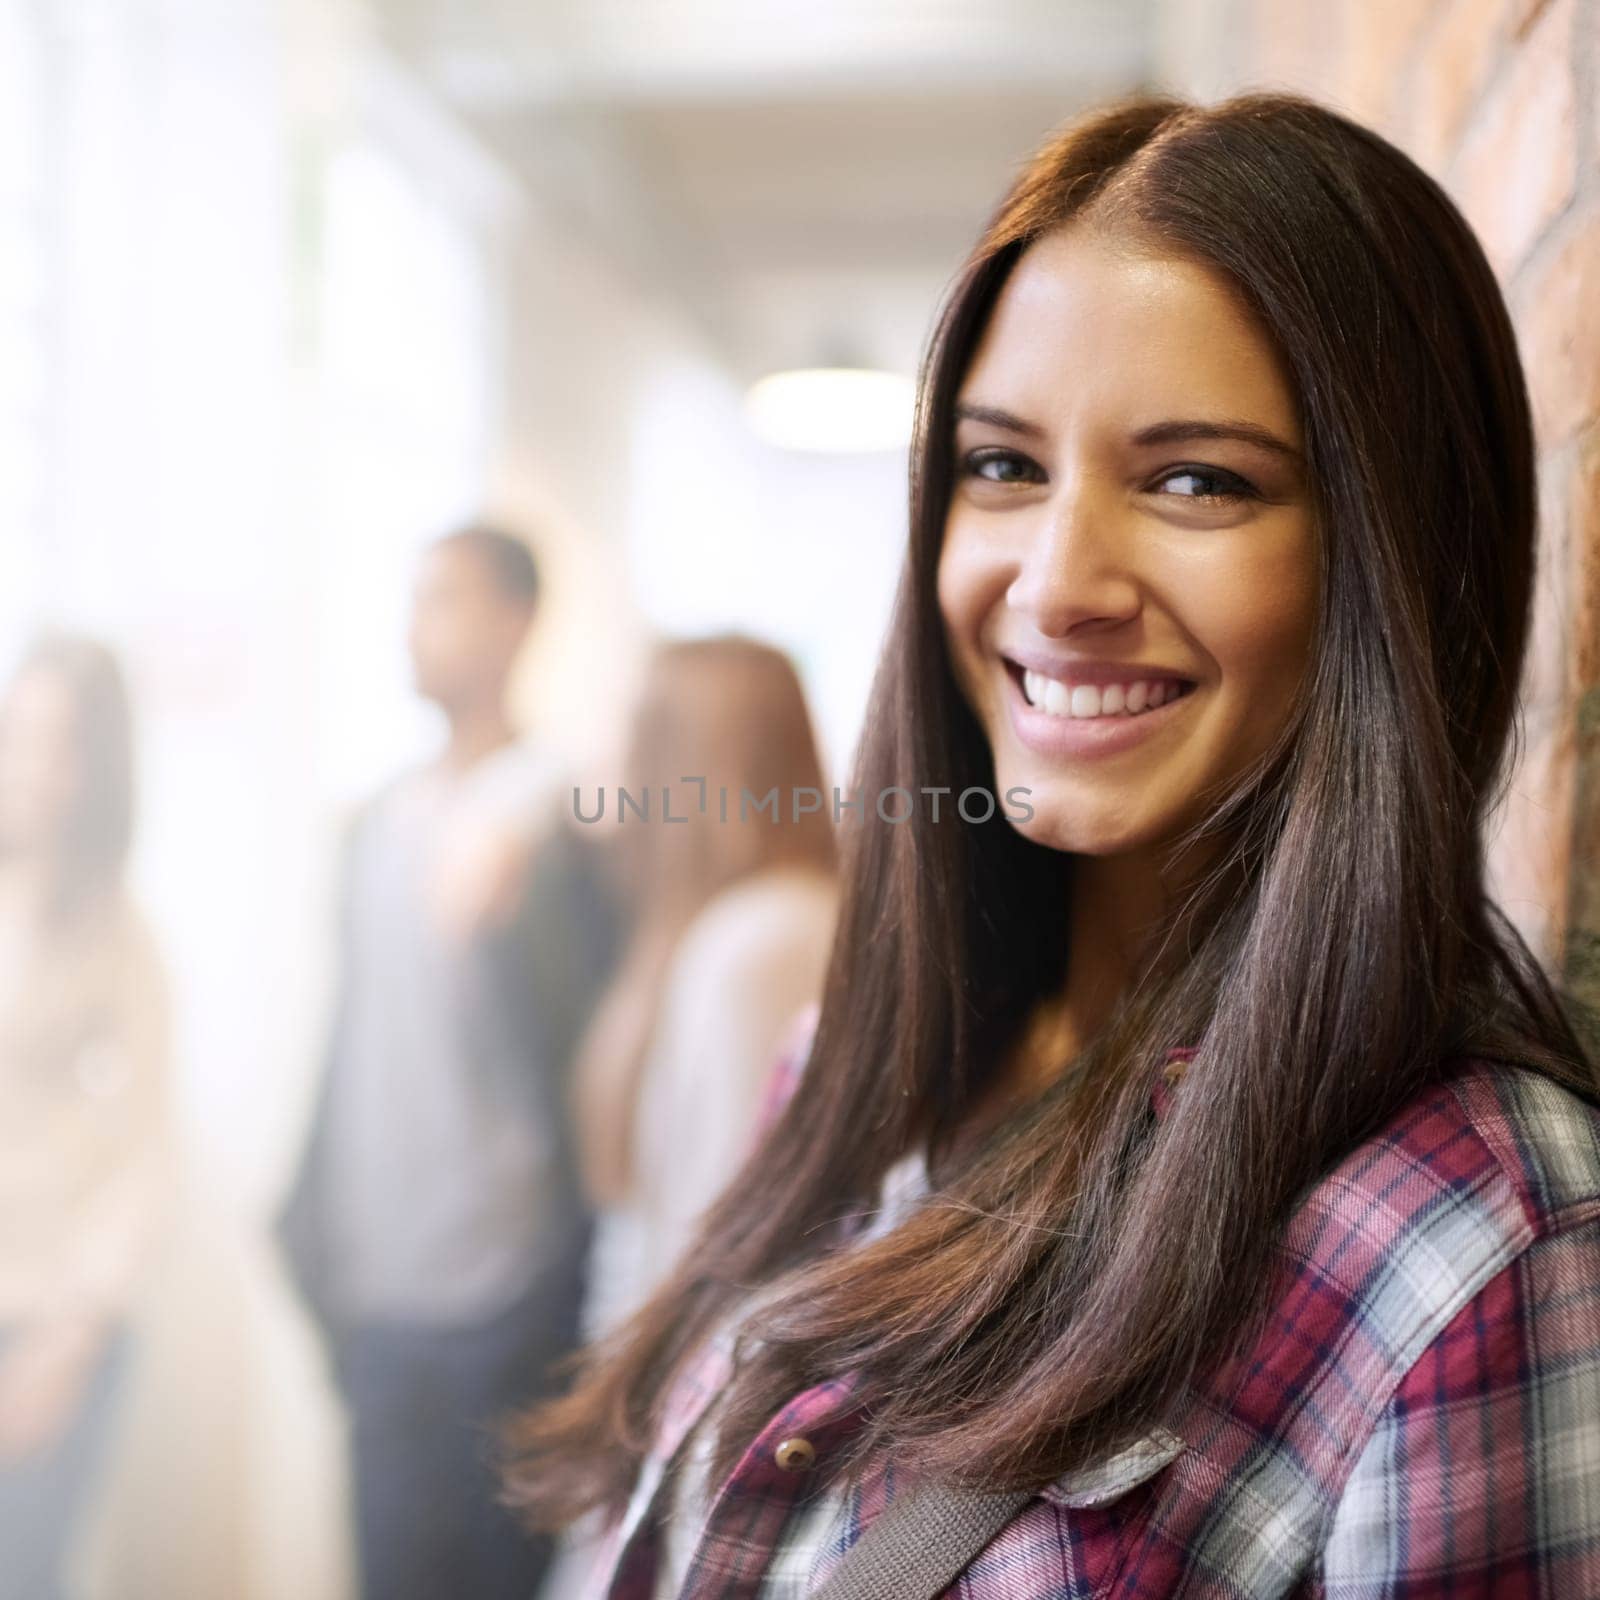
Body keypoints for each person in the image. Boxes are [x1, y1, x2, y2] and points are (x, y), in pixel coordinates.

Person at [500, 89, 1600, 1598]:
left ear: (1391, 555)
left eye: (1196, 480)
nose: (1059, 580)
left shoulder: (1472, 1247)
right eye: (1003, 467)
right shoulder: (852, 1075)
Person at [278, 524, 623, 1600]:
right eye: (412, 600)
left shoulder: (562, 816)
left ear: (517, 622)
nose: (414, 630)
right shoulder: (377, 822)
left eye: (446, 600)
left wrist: (533, 814)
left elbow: (606, 802)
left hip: (506, 1292)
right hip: (379, 1289)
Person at [571, 635, 839, 1341]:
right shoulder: (723, 929)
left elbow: (724, 1259)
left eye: (637, 743)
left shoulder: (759, 943)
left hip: (685, 1402)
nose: (617, 775)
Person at [0, 633, 175, 1600]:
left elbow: (143, 1156)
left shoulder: (118, 934)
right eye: (18, 735)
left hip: (45, 1324)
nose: (32, 768)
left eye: (60, 744)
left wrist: (68, 1339)